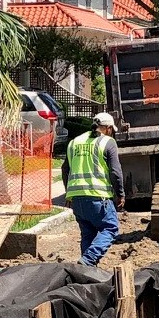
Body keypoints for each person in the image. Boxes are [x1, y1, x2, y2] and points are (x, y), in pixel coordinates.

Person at [64, 112, 125, 265]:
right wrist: (120, 194)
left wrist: (69, 194)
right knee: (110, 228)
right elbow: (115, 172)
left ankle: (86, 271)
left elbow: (65, 169)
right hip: (98, 197)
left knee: (88, 234)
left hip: (77, 200)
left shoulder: (74, 142)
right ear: (108, 128)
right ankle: (87, 261)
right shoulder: (108, 142)